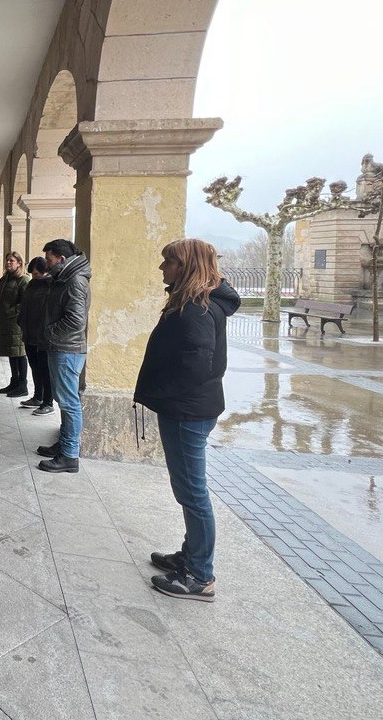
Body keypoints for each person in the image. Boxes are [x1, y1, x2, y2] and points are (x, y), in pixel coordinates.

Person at [135, 238, 240, 602]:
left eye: (168, 262)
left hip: (186, 410)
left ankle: (200, 575)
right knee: (187, 489)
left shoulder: (197, 309)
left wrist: (163, 390)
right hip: (187, 407)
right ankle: (191, 555)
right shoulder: (195, 303)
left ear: (186, 265)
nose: (162, 268)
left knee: (193, 493)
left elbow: (197, 364)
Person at [35, 238, 90, 473]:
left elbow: (76, 320)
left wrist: (49, 331)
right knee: (65, 400)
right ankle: (64, 444)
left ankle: (69, 455)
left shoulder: (75, 280)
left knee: (69, 402)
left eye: (49, 260)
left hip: (66, 348)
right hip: (61, 346)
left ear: (62, 259)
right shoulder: (65, 277)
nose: (47, 265)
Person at [18, 257, 54, 415]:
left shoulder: (51, 286)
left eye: (37, 273)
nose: (34, 276)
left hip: (43, 335)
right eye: (32, 273)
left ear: (45, 271)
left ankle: (48, 402)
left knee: (45, 370)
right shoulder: (31, 284)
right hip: (29, 332)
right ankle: (37, 396)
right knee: (35, 368)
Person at [0, 252, 29, 398]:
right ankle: (14, 381)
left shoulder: (23, 280)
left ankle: (22, 385)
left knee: (19, 354)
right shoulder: (4, 279)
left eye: (11, 261)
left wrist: (9, 312)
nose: (8, 263)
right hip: (4, 323)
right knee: (11, 353)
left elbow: (25, 303)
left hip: (16, 323)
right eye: (7, 260)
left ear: (19, 263)